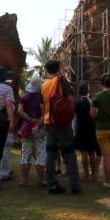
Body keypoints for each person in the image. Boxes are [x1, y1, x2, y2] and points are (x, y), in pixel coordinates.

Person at [41, 59, 81, 195]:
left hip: (48, 121)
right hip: (61, 122)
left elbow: (43, 105)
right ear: (58, 68)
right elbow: (70, 99)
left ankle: (52, 184)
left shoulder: (44, 84)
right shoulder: (61, 80)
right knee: (69, 151)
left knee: (51, 153)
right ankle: (75, 185)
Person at [17, 75, 47, 187]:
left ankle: (24, 180)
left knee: (25, 155)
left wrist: (29, 119)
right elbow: (45, 112)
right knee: (40, 155)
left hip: (26, 129)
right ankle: (41, 180)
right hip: (40, 130)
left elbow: (20, 111)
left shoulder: (25, 97)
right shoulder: (42, 97)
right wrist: (39, 122)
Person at [74, 83, 101, 181]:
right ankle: (94, 175)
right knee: (92, 152)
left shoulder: (77, 103)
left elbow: (75, 116)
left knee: (84, 152)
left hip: (81, 129)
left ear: (79, 92)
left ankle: (86, 175)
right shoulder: (92, 101)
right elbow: (96, 114)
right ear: (88, 91)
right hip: (91, 129)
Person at [0, 69, 16, 181]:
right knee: (5, 149)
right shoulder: (7, 90)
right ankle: (4, 173)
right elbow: (10, 107)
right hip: (5, 124)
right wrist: (12, 122)